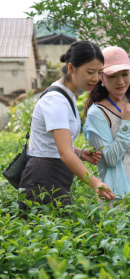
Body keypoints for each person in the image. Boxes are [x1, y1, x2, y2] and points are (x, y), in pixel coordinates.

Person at [19, 41, 114, 212]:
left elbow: (56, 144)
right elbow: (64, 153)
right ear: (71, 68)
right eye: (90, 72)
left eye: (100, 72)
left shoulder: (67, 96)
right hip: (44, 175)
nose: (95, 78)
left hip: (54, 172)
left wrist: (79, 152)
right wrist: (96, 183)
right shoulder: (56, 100)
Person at [83, 46, 130, 204]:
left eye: (125, 74)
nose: (121, 81)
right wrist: (126, 124)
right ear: (102, 78)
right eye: (112, 76)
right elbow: (110, 159)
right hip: (117, 197)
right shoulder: (96, 113)